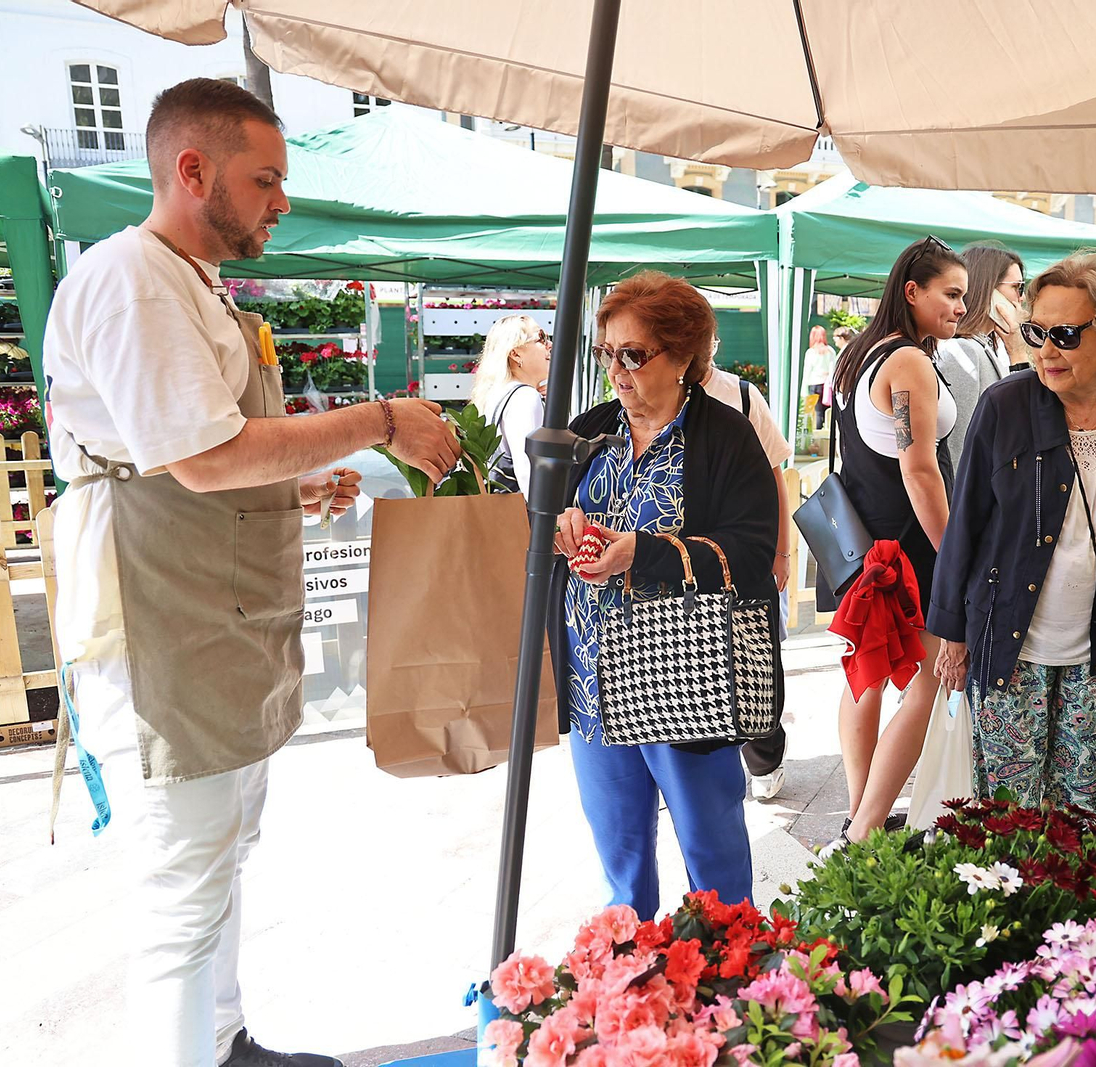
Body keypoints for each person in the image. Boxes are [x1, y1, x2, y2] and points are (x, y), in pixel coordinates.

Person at [45, 78, 459, 1067]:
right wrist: (379, 421)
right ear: (193, 171)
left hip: (210, 615)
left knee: (222, 854)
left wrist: (293, 484)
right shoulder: (133, 278)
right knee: (181, 889)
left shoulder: (189, 283)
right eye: (265, 179)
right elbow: (202, 456)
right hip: (156, 625)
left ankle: (224, 1039)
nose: (281, 199)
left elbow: (188, 451)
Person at [549, 272, 779, 920]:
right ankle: (632, 974)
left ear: (682, 356)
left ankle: (732, 973)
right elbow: (543, 521)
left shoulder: (725, 436)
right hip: (593, 679)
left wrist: (643, 553)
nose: (615, 371)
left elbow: (752, 551)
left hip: (686, 678)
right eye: (607, 353)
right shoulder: (589, 430)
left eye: (633, 354)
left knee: (715, 865)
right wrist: (563, 528)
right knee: (621, 867)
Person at [930, 251, 1096, 816]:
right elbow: (966, 520)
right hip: (1007, 639)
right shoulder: (1005, 404)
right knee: (1008, 813)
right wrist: (952, 634)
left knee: (1082, 809)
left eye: (1066, 334)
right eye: (1036, 332)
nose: (1046, 350)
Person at [820, 236, 964, 850]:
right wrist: (955, 553)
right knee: (929, 683)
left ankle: (859, 812)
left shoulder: (860, 351)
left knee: (866, 675)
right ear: (913, 291)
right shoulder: (907, 361)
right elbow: (920, 469)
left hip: (866, 538)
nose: (961, 307)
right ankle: (868, 825)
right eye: (951, 294)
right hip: (908, 544)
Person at [702, 341, 795, 799]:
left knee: (755, 661)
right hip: (687, 560)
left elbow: (776, 474)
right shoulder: (643, 400)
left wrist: (783, 551)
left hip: (746, 551)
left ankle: (764, 758)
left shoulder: (740, 394)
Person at [935, 243, 1023, 471]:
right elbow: (959, 445)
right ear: (989, 290)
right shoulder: (963, 351)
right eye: (1017, 287)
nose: (1020, 298)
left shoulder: (986, 348)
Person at [468, 314, 550, 494]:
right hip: (524, 510)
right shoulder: (524, 398)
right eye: (541, 338)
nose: (550, 345)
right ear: (515, 353)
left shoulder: (496, 395)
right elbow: (530, 475)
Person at [803, 325, 837, 430]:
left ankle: (816, 433)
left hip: (813, 383)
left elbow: (807, 371)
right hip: (826, 384)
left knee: (817, 411)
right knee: (826, 411)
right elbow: (833, 369)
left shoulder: (811, 352)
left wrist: (804, 389)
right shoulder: (830, 351)